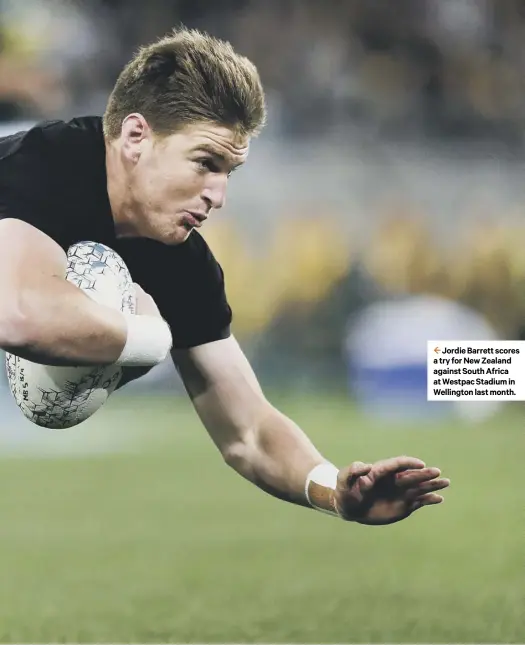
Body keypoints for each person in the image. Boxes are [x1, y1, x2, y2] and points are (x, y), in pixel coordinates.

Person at [0, 27, 449, 525]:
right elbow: (20, 315)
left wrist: (333, 490)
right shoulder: (43, 166)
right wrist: (150, 339)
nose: (217, 196)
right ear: (135, 137)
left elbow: (249, 431)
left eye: (228, 172)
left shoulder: (179, 259)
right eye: (204, 163)